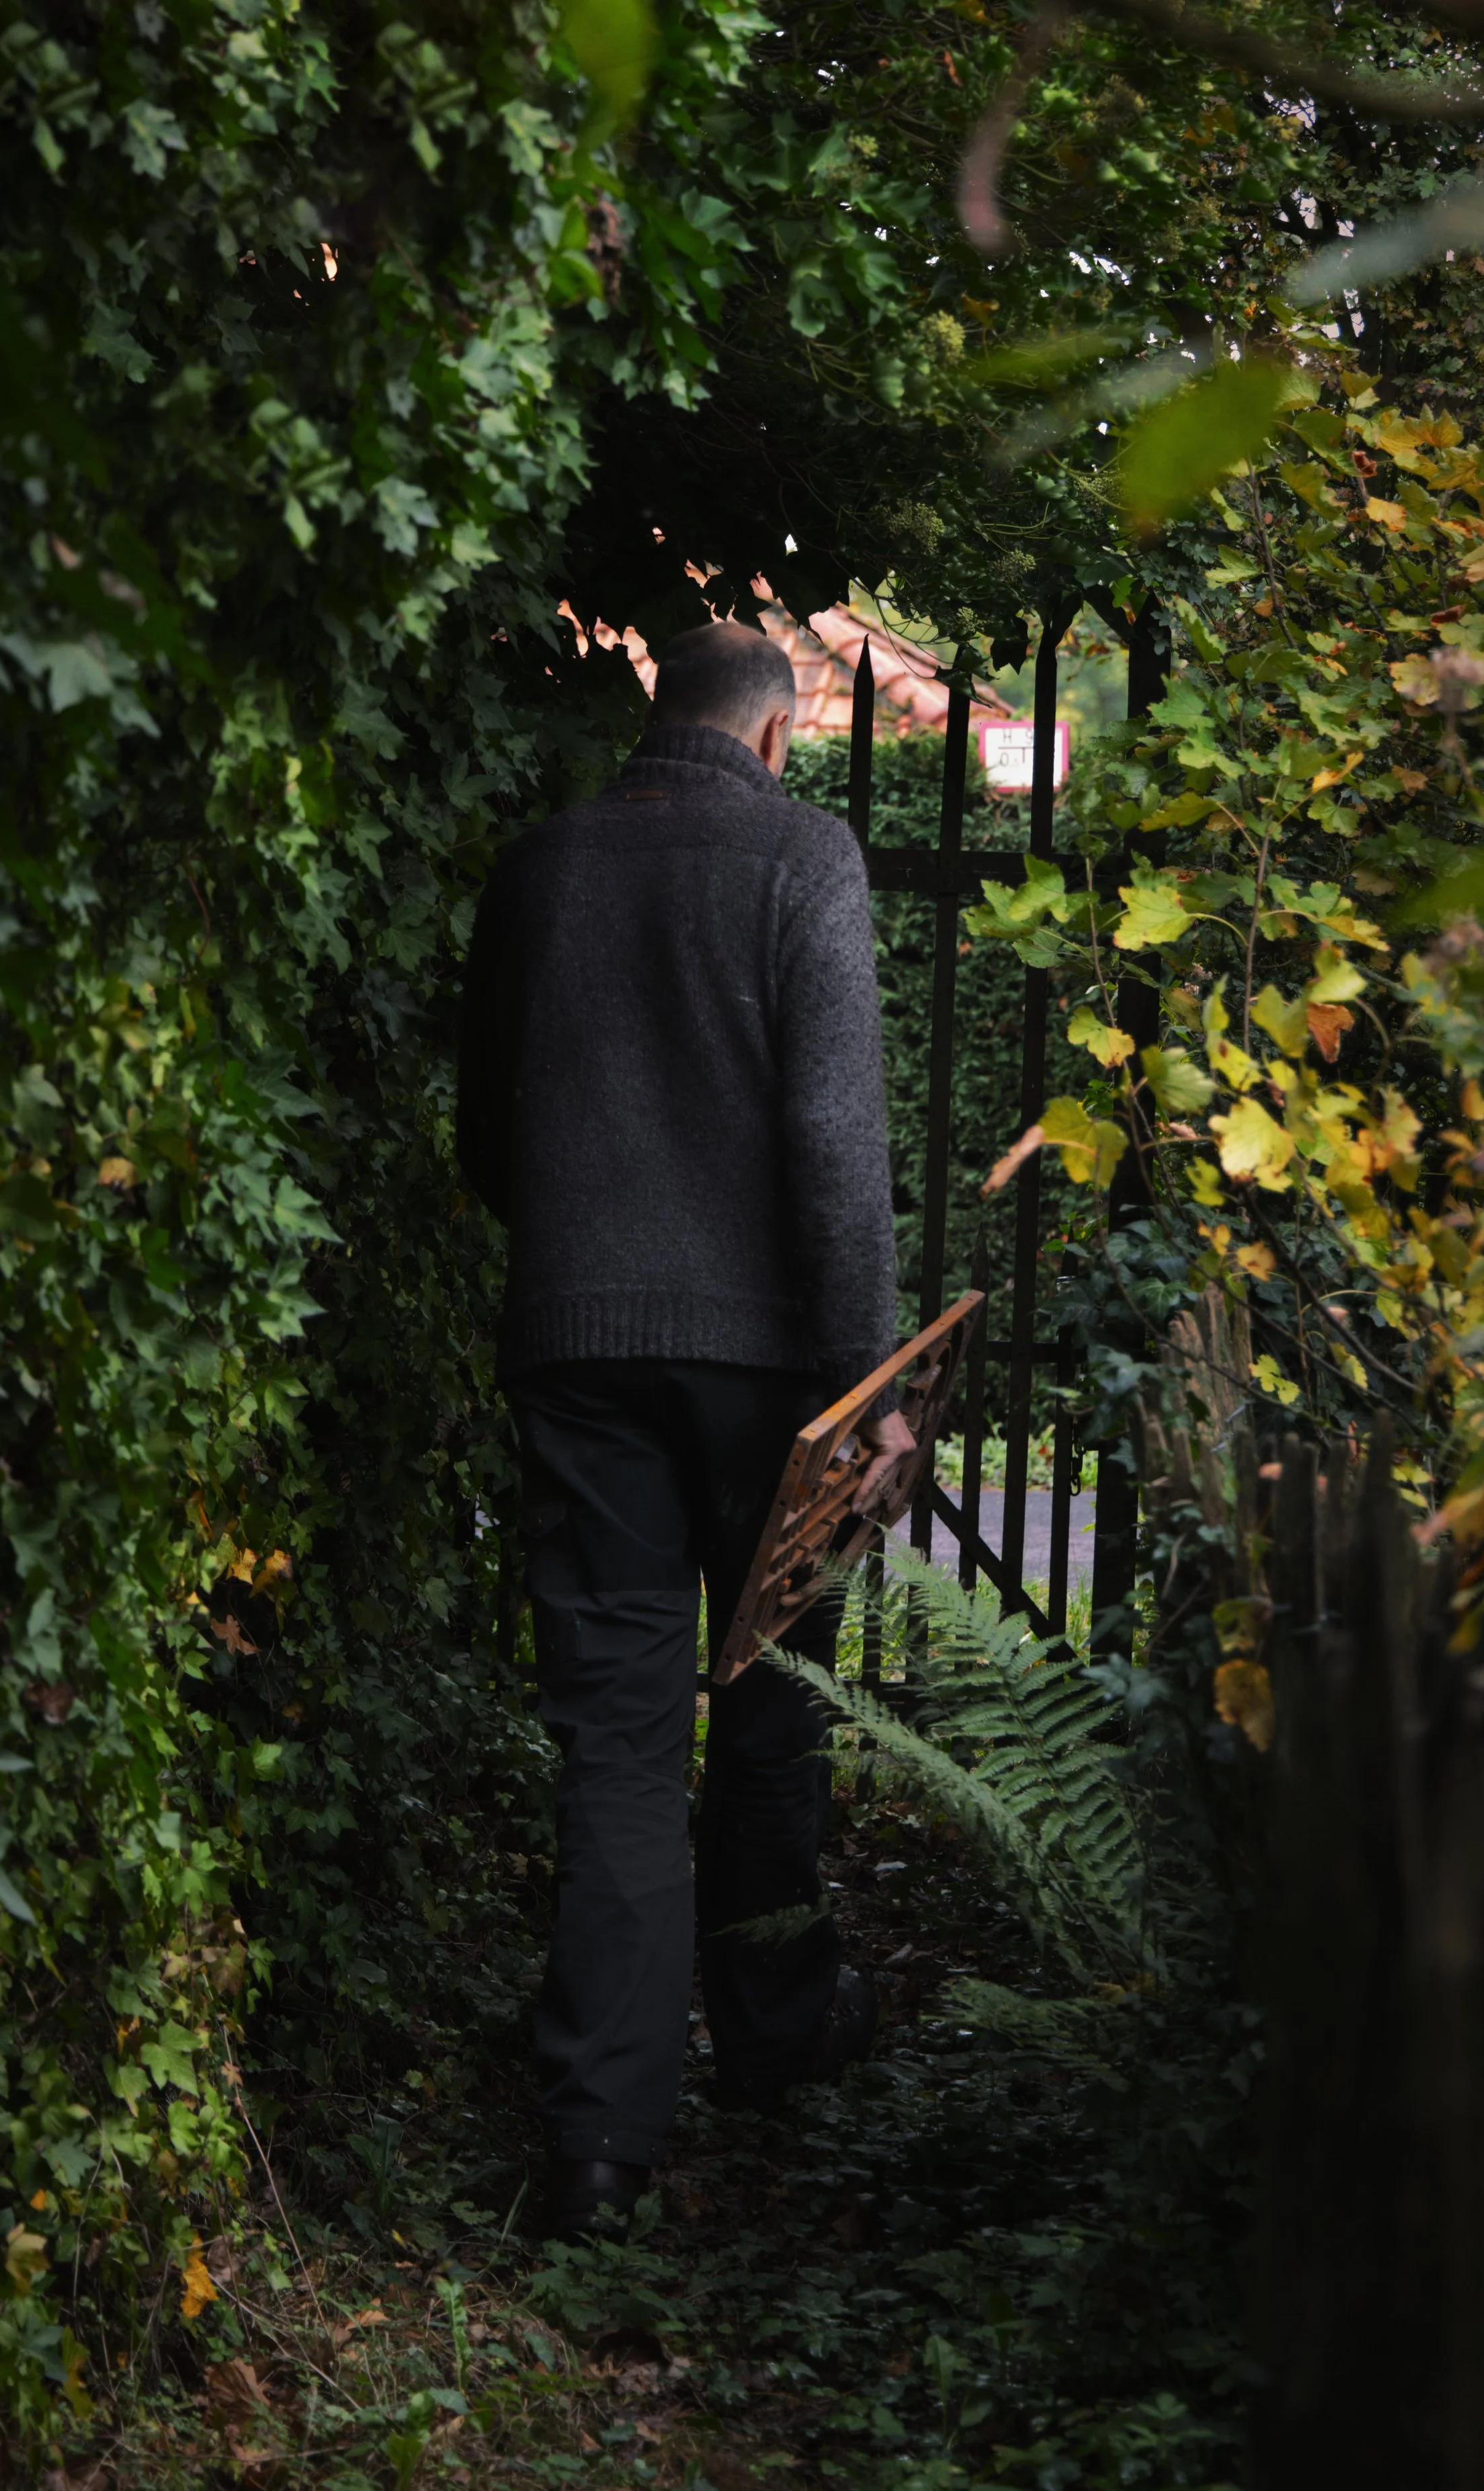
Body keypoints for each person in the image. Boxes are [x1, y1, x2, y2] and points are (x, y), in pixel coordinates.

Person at [456, 617, 915, 2241]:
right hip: (775, 1379)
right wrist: (869, 1395)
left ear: (662, 720)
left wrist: (585, 1269)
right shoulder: (804, 862)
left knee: (621, 1741)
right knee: (771, 1697)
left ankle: (596, 2140)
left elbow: (483, 1130)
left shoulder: (541, 867)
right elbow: (835, 1152)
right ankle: (780, 2037)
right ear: (779, 735)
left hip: (578, 1351)